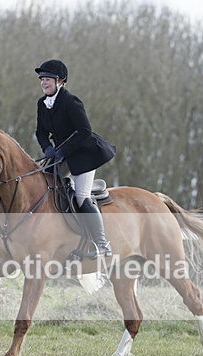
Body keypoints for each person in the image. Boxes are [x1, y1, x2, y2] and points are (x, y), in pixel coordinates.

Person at [34, 59, 116, 258]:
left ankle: (102, 243)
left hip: (83, 154)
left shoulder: (71, 101)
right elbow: (40, 132)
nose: (43, 82)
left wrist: (63, 150)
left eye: (48, 79)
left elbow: (84, 131)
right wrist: (47, 148)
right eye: (42, 79)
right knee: (46, 187)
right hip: (60, 155)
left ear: (60, 81)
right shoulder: (42, 104)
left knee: (81, 196)